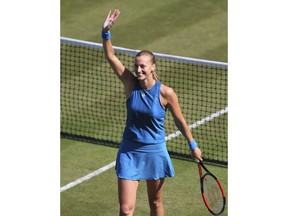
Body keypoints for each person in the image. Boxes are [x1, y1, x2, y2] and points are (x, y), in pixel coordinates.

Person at [101, 9, 202, 216]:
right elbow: (111, 56)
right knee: (126, 209)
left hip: (155, 151)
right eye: (136, 66)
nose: (138, 70)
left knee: (155, 204)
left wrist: (193, 146)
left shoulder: (166, 93)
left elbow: (180, 121)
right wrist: (105, 33)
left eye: (142, 66)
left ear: (153, 67)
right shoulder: (130, 83)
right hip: (130, 151)